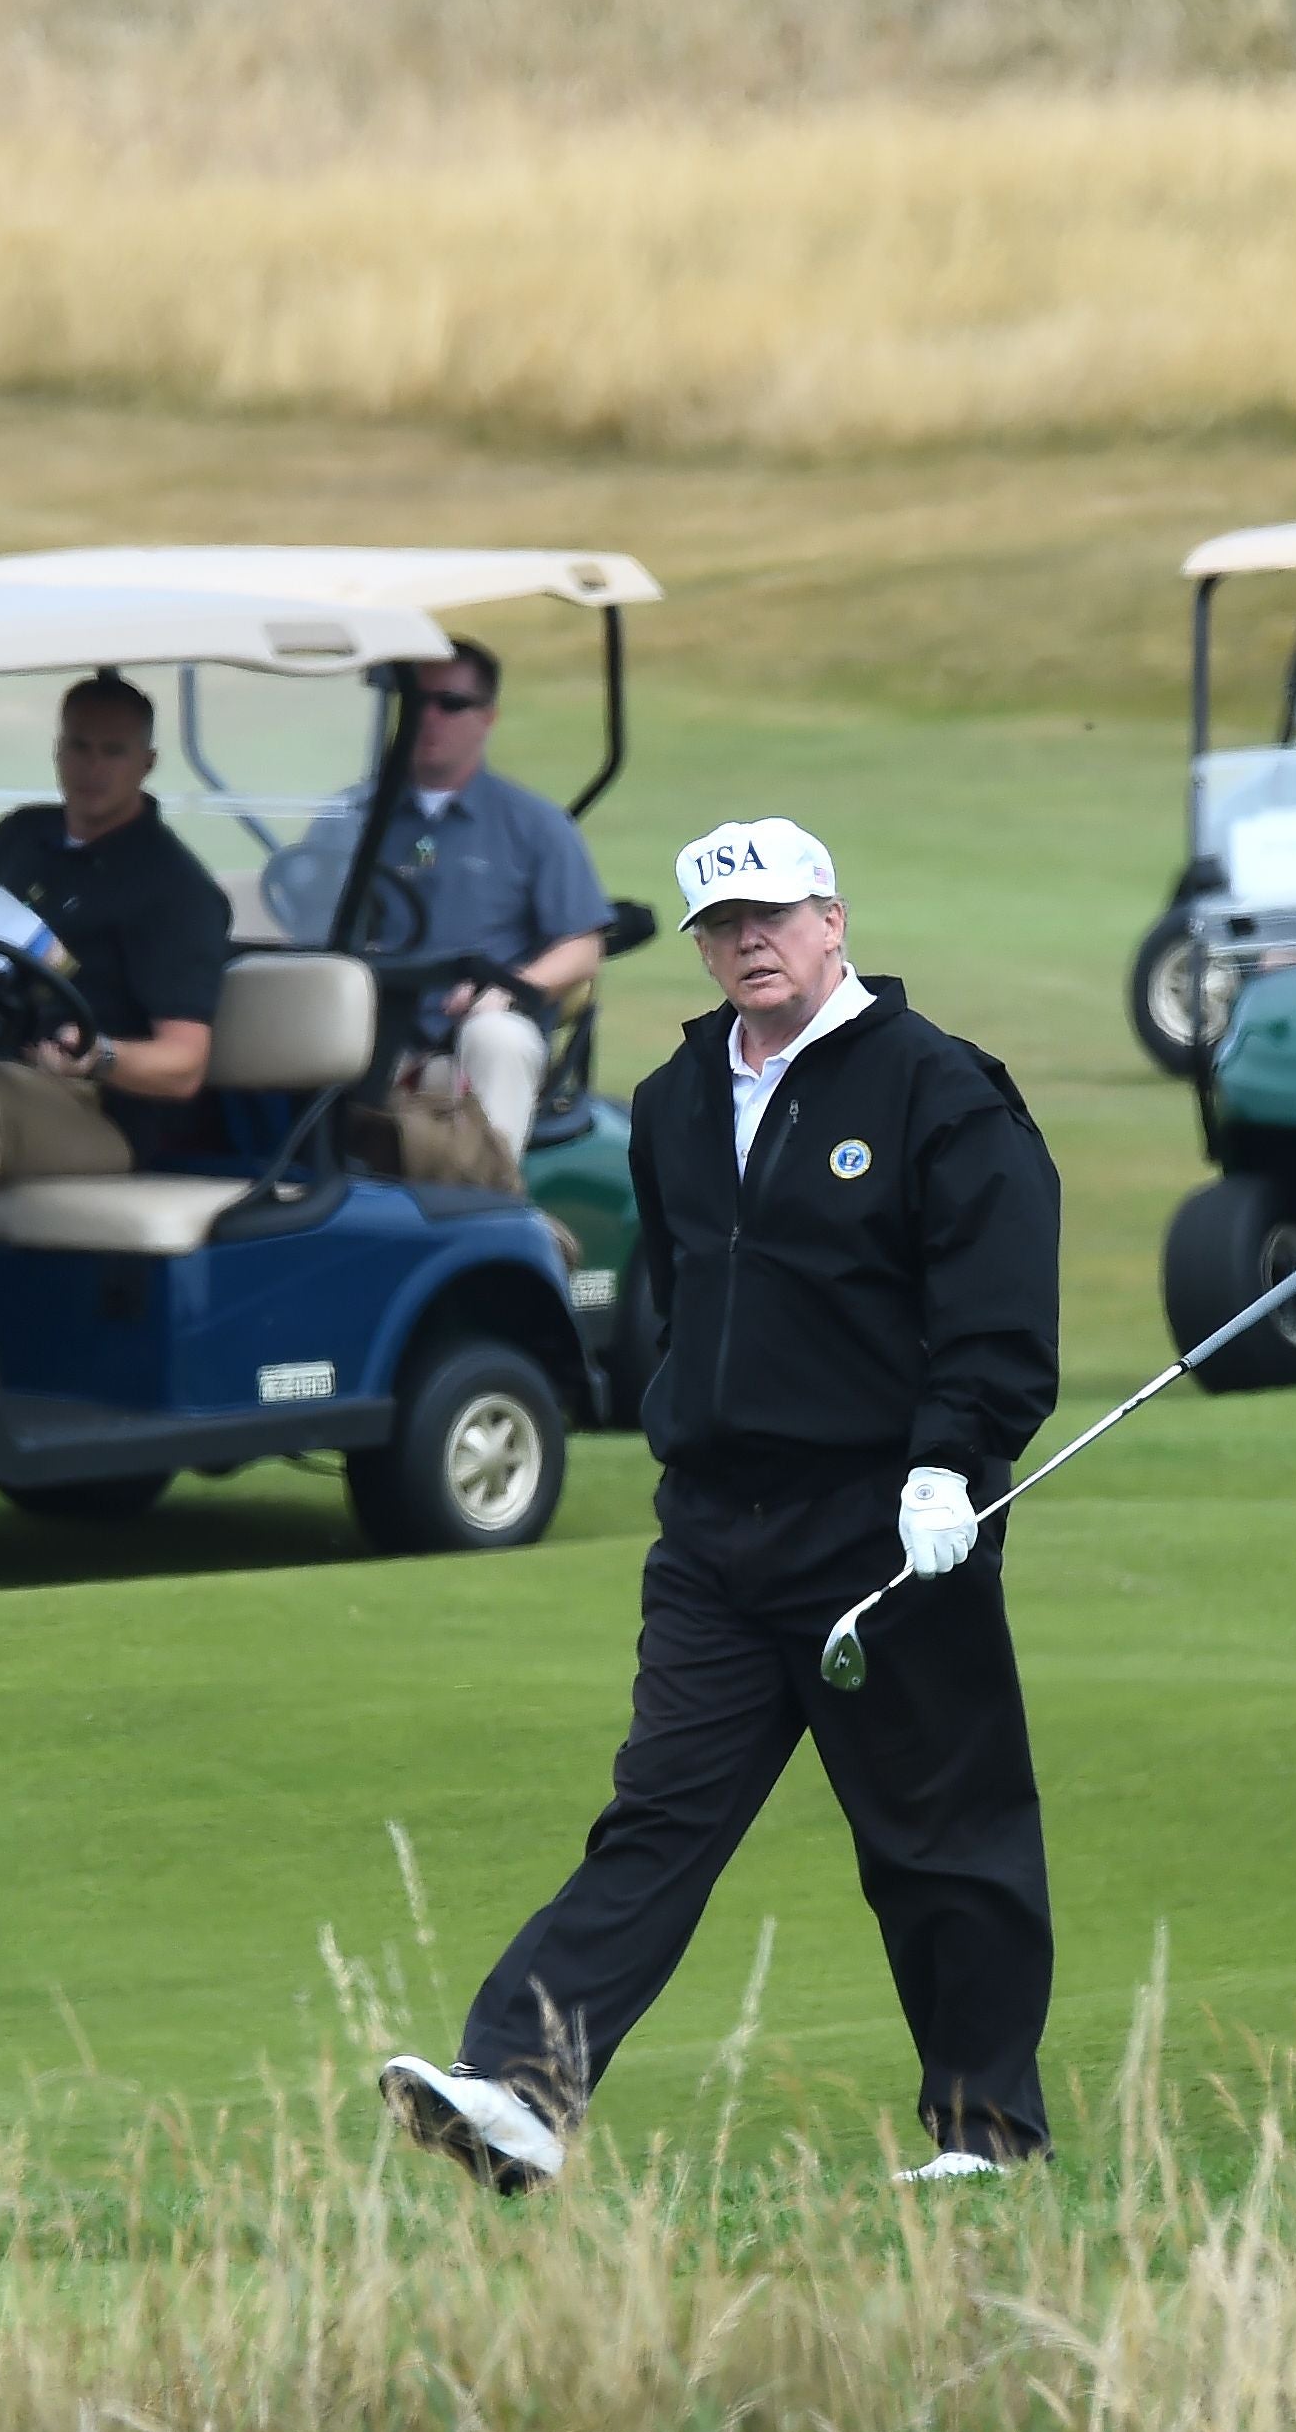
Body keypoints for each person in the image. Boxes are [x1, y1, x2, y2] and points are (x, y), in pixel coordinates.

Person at [378, 818, 1065, 2190]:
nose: (747, 940)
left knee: (940, 1836)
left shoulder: (940, 1091)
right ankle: (520, 2090)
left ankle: (988, 2139)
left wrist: (949, 1462)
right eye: (719, 924)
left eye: (771, 913)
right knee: (658, 1816)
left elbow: (995, 1311)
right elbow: (692, 1305)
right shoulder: (679, 1099)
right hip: (715, 1532)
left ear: (832, 917)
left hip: (889, 1530)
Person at [0, 673, 231, 1251]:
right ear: (57, 749)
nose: (91, 767)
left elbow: (183, 1065)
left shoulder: (175, 888)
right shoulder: (20, 837)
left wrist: (97, 1055)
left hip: (94, 1108)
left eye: (112, 752)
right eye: (78, 747)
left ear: (147, 763)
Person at [285, 637, 609, 1175]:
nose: (429, 718)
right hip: (367, 1025)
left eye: (450, 704)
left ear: (487, 716)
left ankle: (487, 1198)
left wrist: (504, 990)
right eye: (416, 703)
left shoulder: (534, 825)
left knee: (499, 1038)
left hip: (467, 1029)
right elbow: (305, 920)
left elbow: (582, 945)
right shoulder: (349, 815)